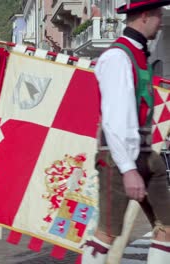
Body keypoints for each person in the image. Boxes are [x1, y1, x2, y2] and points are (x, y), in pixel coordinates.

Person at [82, 1, 170, 263]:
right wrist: (129, 168)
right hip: (117, 157)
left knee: (167, 226)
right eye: (158, 15)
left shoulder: (137, 54)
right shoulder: (118, 56)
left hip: (144, 152)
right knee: (107, 233)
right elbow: (115, 118)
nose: (161, 21)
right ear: (144, 16)